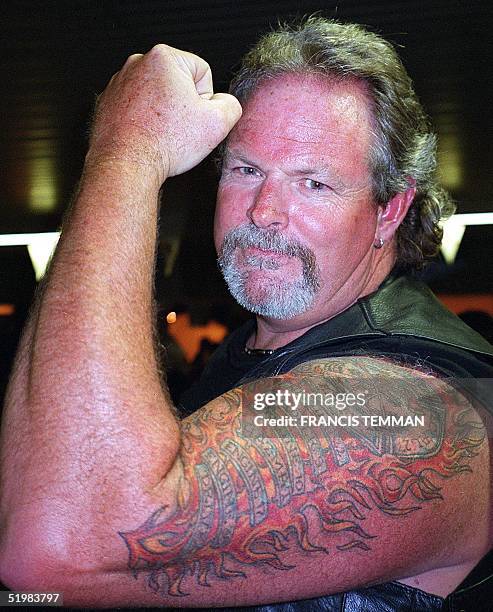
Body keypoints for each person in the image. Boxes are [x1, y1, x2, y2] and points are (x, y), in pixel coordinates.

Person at [0, 17, 492, 612]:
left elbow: (54, 553)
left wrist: (126, 150)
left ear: (390, 211)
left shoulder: (413, 404)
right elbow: (38, 587)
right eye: (247, 170)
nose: (263, 212)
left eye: (312, 183)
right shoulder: (248, 360)